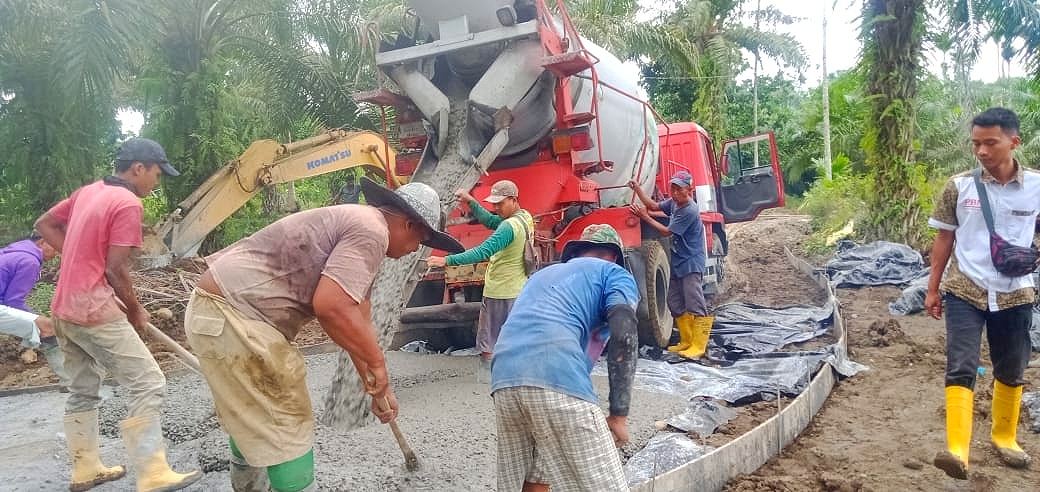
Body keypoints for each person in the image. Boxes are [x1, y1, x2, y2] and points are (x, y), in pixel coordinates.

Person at [184, 177, 463, 492]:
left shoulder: (361, 226)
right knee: (287, 419)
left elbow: (358, 318)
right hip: (235, 315)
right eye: (421, 242)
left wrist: (376, 385)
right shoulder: (372, 232)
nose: (415, 251)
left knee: (253, 414)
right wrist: (378, 365)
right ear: (409, 225)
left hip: (217, 311)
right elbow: (331, 307)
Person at [34, 137, 202, 492]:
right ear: (138, 168)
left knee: (83, 388)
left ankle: (85, 469)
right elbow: (114, 269)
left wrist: (80, 256)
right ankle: (153, 472)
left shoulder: (88, 192)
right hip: (93, 308)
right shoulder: (126, 203)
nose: (156, 183)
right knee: (148, 381)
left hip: (64, 307)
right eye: (156, 174)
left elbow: (45, 223)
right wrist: (137, 310)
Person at [925, 107, 1036, 479]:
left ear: (1013, 142)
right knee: (960, 365)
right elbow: (943, 238)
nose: (982, 151)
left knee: (1011, 367)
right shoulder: (959, 186)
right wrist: (932, 288)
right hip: (964, 290)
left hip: (1016, 292)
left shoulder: (1037, 186)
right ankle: (958, 450)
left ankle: (1004, 437)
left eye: (991, 142)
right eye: (976, 144)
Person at [491, 224, 639, 491]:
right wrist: (619, 415)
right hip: (554, 372)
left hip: (504, 377)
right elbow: (624, 333)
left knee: (535, 475)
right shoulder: (614, 273)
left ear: (578, 252)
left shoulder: (541, 276)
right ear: (614, 256)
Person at [426, 179, 533, 378]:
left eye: (500, 204)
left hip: (500, 291)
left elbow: (482, 251)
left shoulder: (508, 227)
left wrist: (446, 260)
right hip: (518, 289)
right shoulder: (524, 218)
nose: (496, 208)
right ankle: (518, 373)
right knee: (516, 334)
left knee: (488, 337)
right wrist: (471, 201)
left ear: (513, 200)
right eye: (494, 204)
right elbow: (490, 220)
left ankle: (488, 377)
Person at [628, 170, 712, 359]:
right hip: (679, 259)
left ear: (689, 190)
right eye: (672, 188)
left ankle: (699, 346)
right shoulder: (674, 203)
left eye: (678, 189)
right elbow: (653, 205)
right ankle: (686, 340)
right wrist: (638, 189)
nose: (674, 193)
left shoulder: (689, 210)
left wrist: (644, 217)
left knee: (694, 301)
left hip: (691, 260)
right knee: (674, 300)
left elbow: (667, 232)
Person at [0, 232, 68, 387]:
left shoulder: (14, 252)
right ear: (42, 242)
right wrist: (39, 321)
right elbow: (14, 302)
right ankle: (71, 382)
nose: (57, 253)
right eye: (56, 248)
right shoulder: (29, 261)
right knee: (47, 328)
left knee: (39, 325)